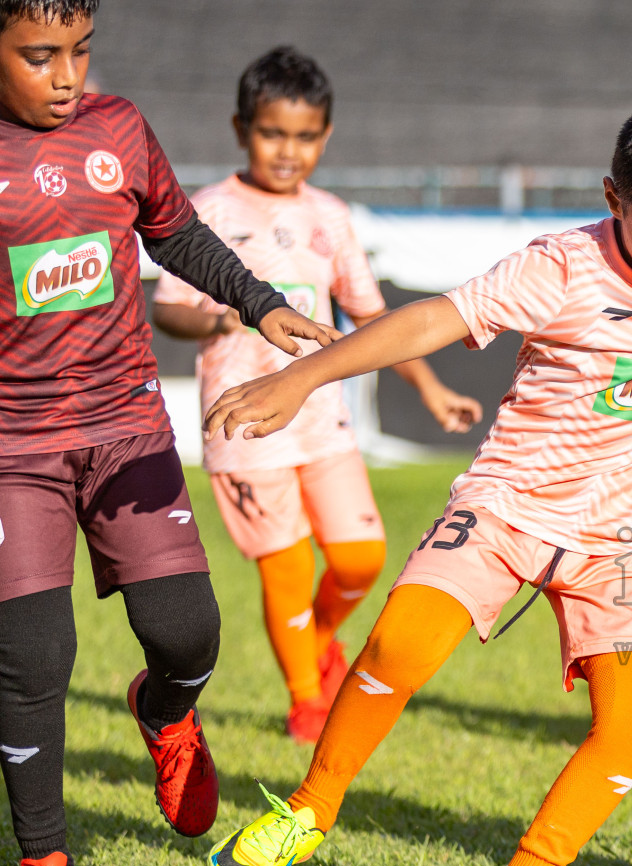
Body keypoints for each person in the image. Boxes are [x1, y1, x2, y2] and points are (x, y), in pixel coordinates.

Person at [199, 97, 632, 866]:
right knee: (403, 646)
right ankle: (309, 809)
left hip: (617, 540)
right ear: (613, 200)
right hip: (504, 507)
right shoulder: (558, 267)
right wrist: (305, 379)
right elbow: (430, 320)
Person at [0, 0, 338, 866]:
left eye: (79, 52)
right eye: (39, 56)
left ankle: (164, 712)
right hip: (11, 449)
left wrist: (259, 304)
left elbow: (176, 232)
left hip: (124, 426)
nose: (67, 75)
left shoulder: (117, 128)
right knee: (32, 657)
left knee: (188, 635)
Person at [153, 46, 482, 743]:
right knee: (288, 565)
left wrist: (429, 387)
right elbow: (169, 308)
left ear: (325, 138)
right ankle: (306, 698)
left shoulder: (331, 216)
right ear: (241, 128)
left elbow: (372, 320)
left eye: (305, 137)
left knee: (361, 559)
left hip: (323, 419)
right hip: (243, 423)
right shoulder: (206, 209)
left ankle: (319, 640)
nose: (288, 151)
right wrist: (222, 313)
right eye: (273, 133)